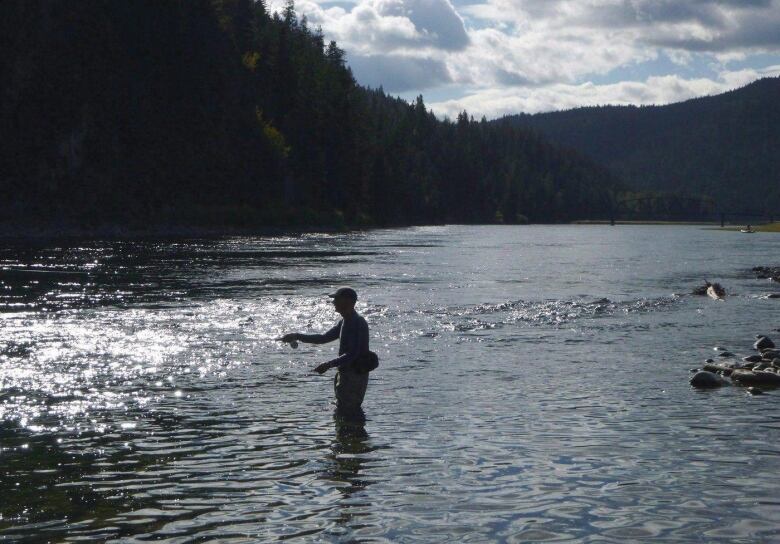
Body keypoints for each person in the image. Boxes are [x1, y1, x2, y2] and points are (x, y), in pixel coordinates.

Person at [281, 287, 370, 414]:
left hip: (355, 375)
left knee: (350, 412)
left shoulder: (358, 323)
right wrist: (296, 336)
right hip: (344, 374)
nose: (333, 302)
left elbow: (353, 354)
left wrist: (329, 364)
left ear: (348, 301)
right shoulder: (344, 321)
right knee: (342, 409)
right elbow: (323, 338)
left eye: (336, 299)